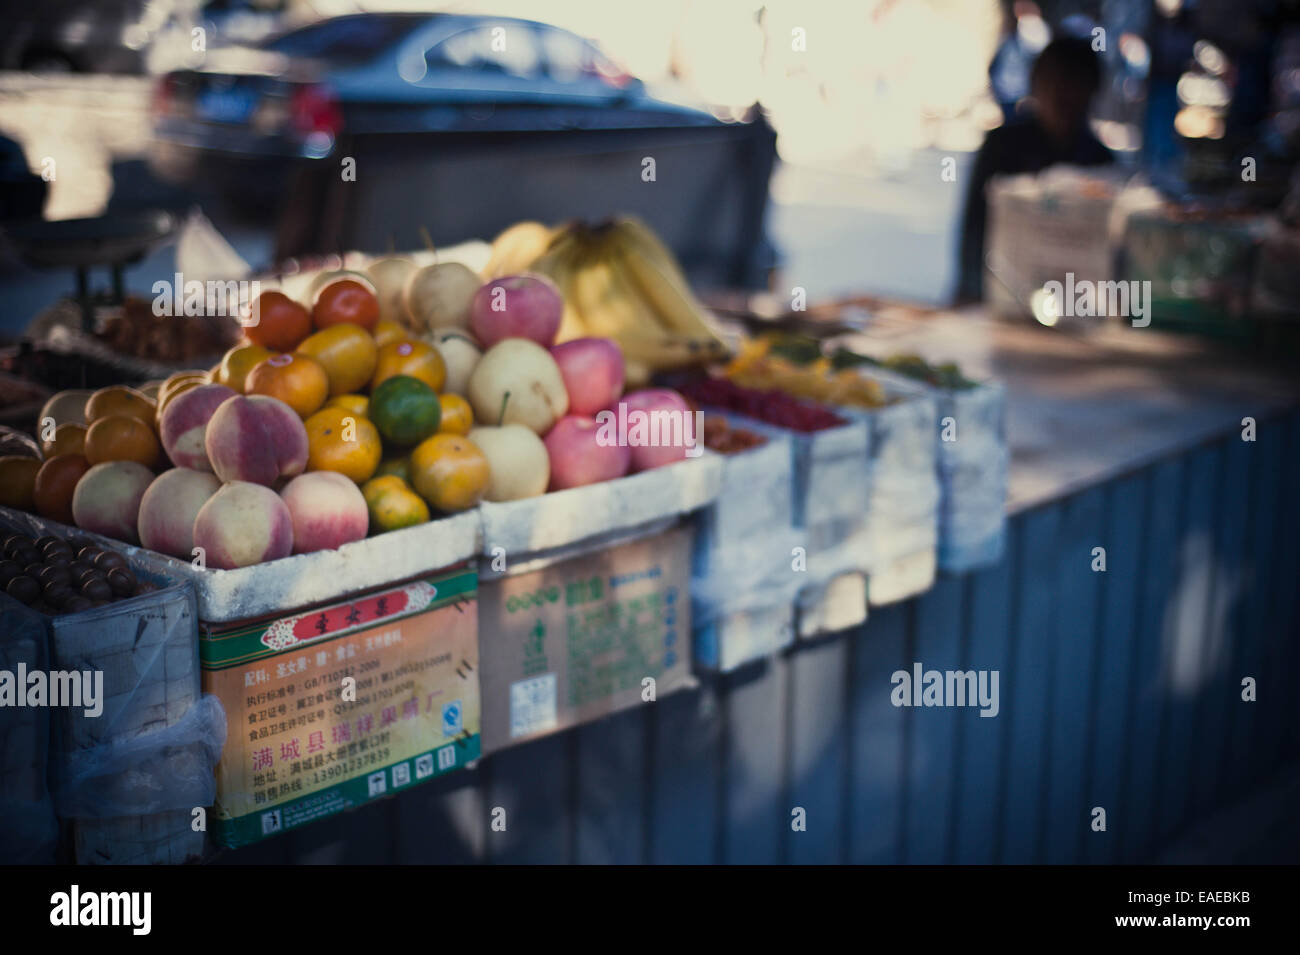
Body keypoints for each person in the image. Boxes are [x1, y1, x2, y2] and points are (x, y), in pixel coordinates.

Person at [956, 36, 1113, 304]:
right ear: (1036, 84)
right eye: (1053, 82)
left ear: (1091, 90)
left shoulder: (1100, 161)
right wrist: (971, 292)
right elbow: (974, 230)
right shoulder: (1002, 146)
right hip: (999, 297)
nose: (1061, 94)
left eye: (1074, 83)